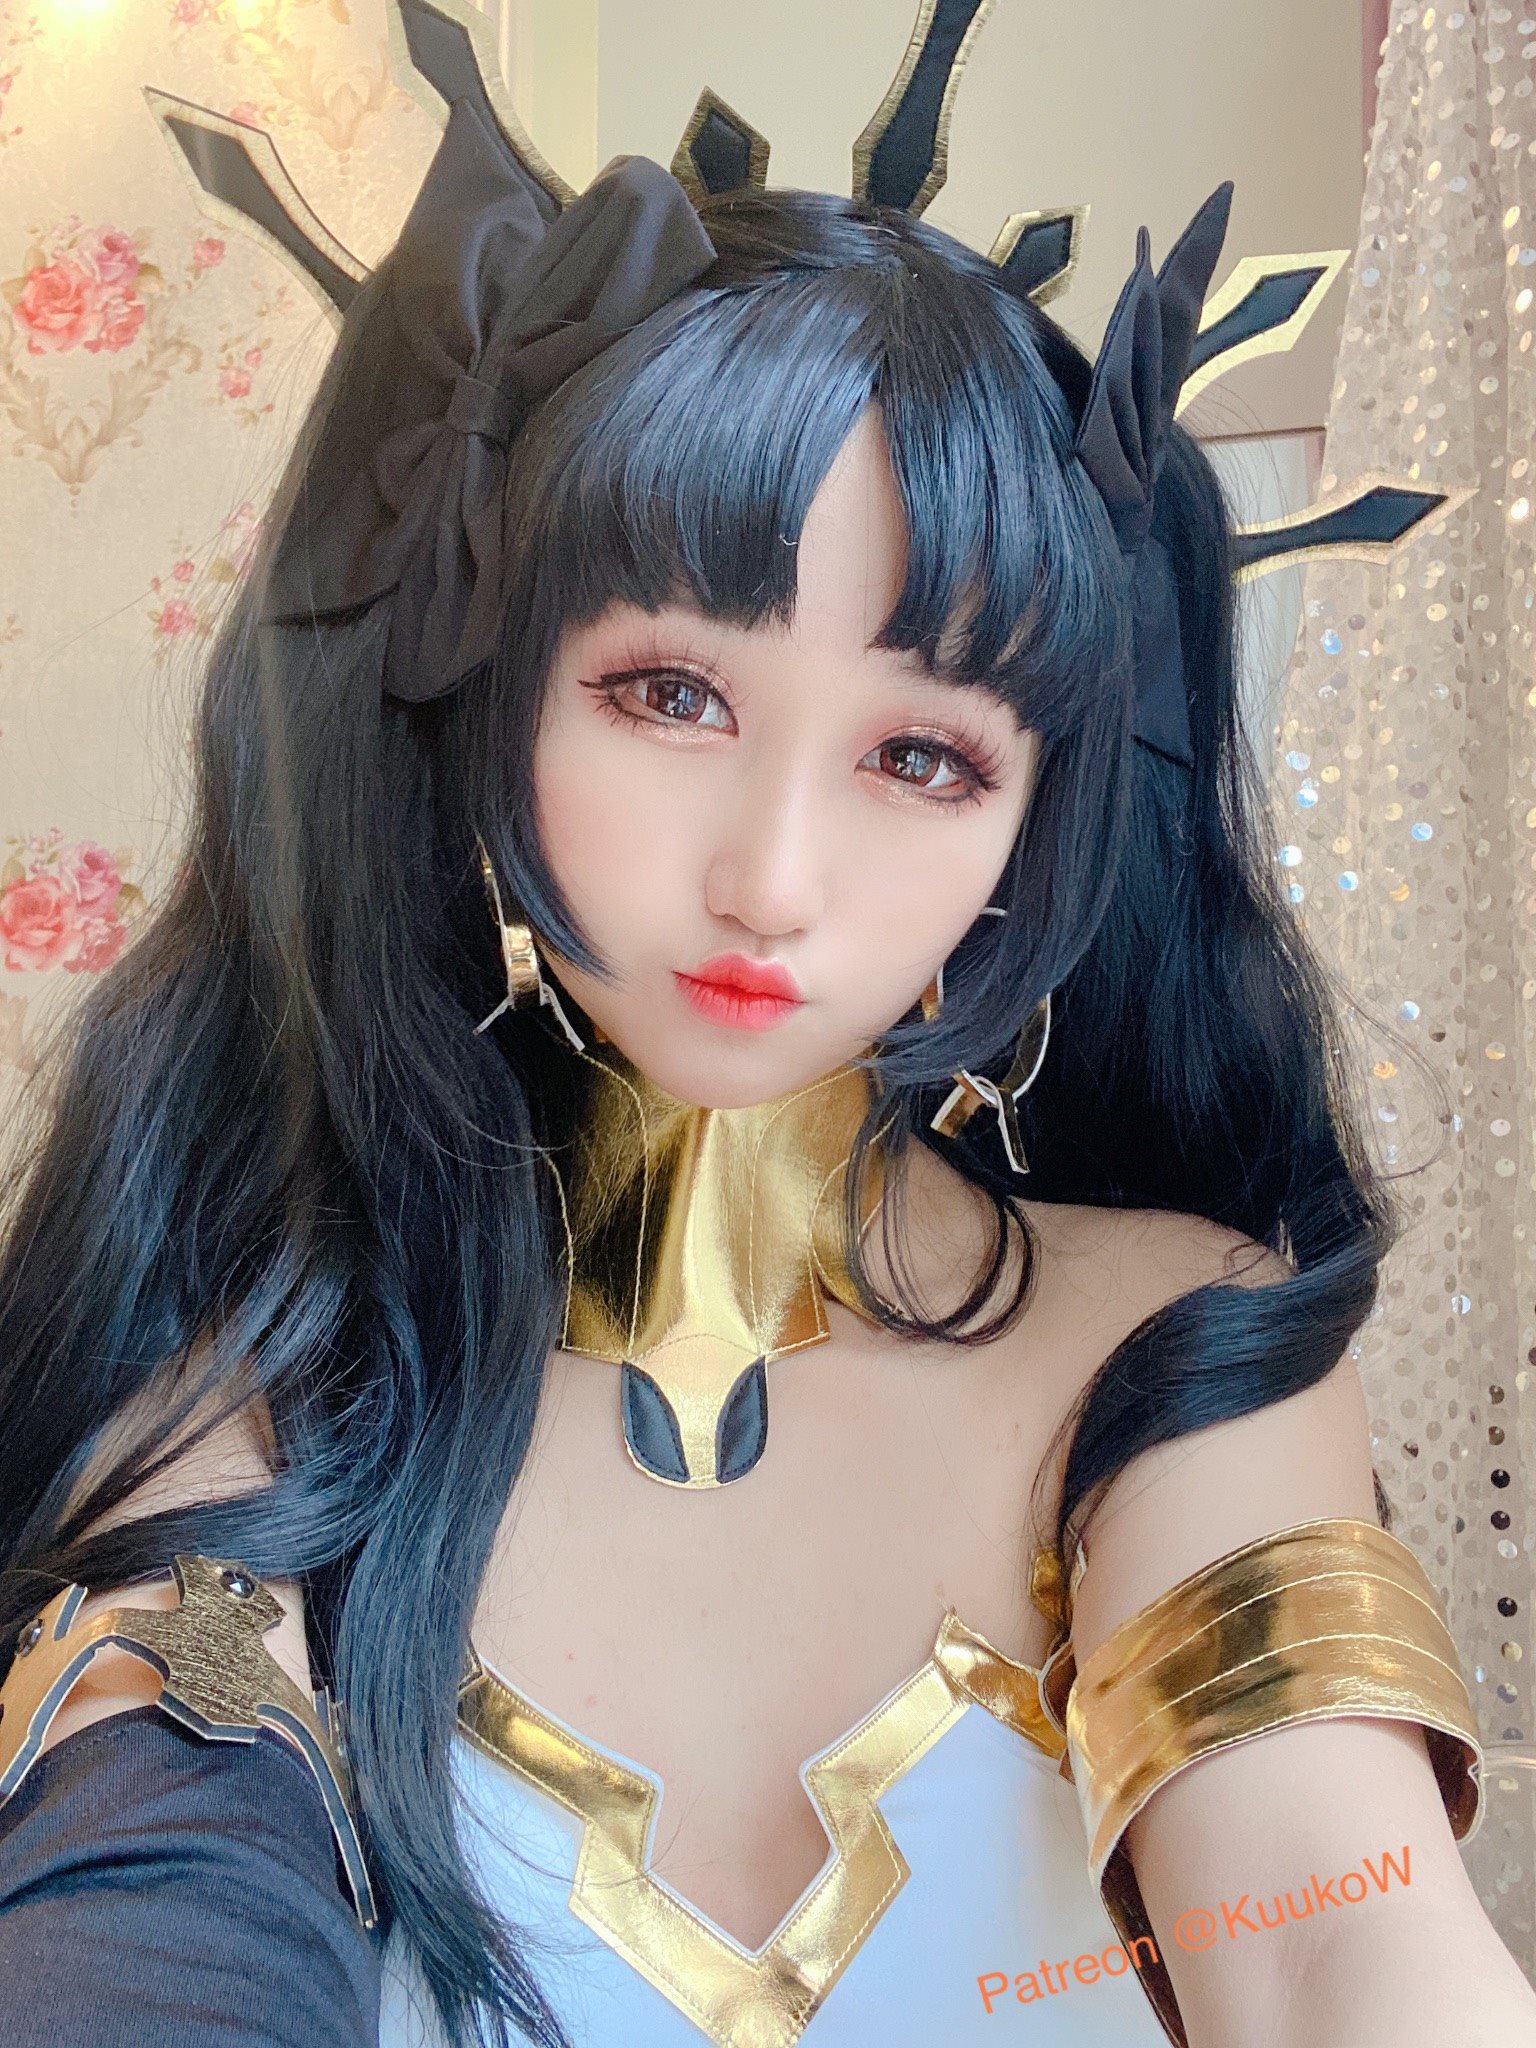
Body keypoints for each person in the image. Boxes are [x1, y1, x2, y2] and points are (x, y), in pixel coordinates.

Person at [2, 4, 1533, 2045]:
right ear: (485, 702)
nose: (773, 880)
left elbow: (1339, 1932)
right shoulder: (268, 1361)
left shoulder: (1181, 1356)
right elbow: (152, 1887)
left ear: (1036, 831)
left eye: (922, 756)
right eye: (672, 695)